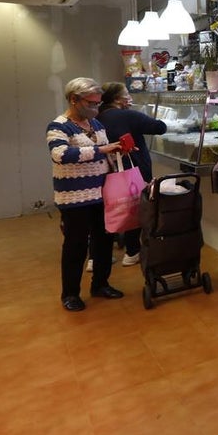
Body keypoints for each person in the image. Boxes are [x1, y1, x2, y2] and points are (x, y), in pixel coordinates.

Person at [48, 77, 126, 311]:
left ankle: (100, 284)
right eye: (91, 103)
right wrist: (102, 149)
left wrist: (116, 152)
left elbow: (102, 154)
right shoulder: (58, 126)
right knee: (76, 244)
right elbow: (61, 155)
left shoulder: (97, 125)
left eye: (98, 104)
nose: (95, 108)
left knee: (103, 241)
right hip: (74, 197)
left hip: (102, 193)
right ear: (74, 100)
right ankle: (70, 294)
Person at [97, 81, 167, 267]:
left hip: (106, 172)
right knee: (133, 207)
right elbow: (160, 127)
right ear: (118, 99)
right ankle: (132, 252)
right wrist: (138, 115)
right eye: (127, 93)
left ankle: (95, 257)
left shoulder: (97, 116)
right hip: (133, 170)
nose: (130, 97)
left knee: (110, 210)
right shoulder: (127, 115)